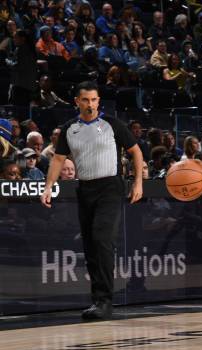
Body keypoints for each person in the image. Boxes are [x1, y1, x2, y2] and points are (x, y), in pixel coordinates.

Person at [40, 81, 144, 320]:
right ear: (77, 101)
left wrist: (137, 182)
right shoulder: (69, 128)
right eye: (85, 100)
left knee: (102, 238)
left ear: (99, 101)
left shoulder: (112, 124)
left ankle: (105, 301)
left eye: (94, 100)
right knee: (90, 247)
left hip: (110, 186)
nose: (90, 104)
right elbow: (58, 160)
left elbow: (136, 151)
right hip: (85, 188)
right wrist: (48, 187)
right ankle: (98, 300)